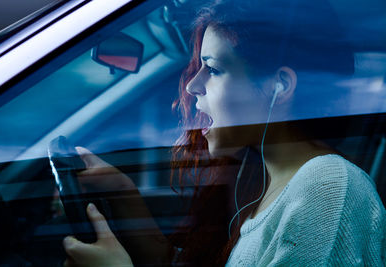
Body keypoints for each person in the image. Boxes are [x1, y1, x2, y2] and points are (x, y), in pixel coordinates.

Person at [62, 0, 386, 266]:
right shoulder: (256, 177)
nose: (192, 85)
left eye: (214, 69)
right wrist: (122, 193)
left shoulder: (327, 188)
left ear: (280, 86)